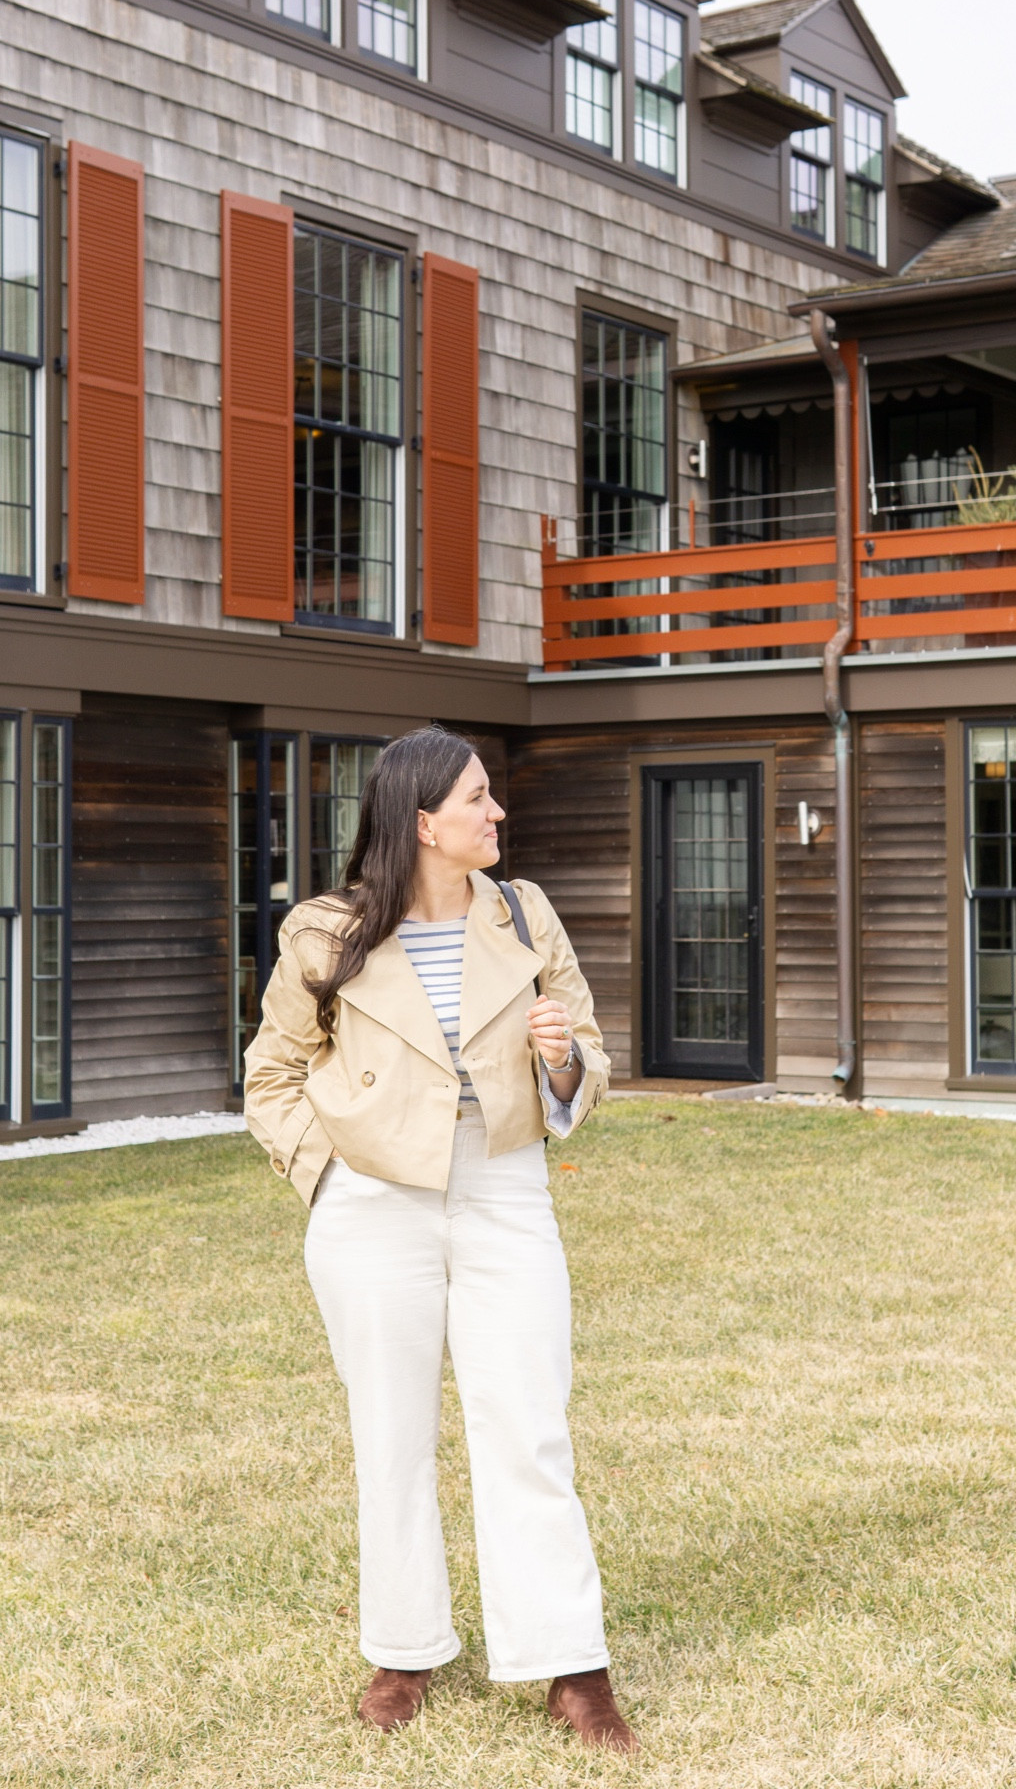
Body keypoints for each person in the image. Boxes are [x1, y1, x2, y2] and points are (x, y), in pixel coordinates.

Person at [244, 725, 638, 1754]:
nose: (495, 812)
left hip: (503, 1185)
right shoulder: (325, 932)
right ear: (423, 822)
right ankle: (403, 1648)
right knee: (392, 1435)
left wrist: (559, 1062)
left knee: (529, 1424)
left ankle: (569, 1662)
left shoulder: (523, 911)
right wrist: (326, 1180)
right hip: (372, 1198)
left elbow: (588, 1053)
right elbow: (271, 1072)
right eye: (476, 799)